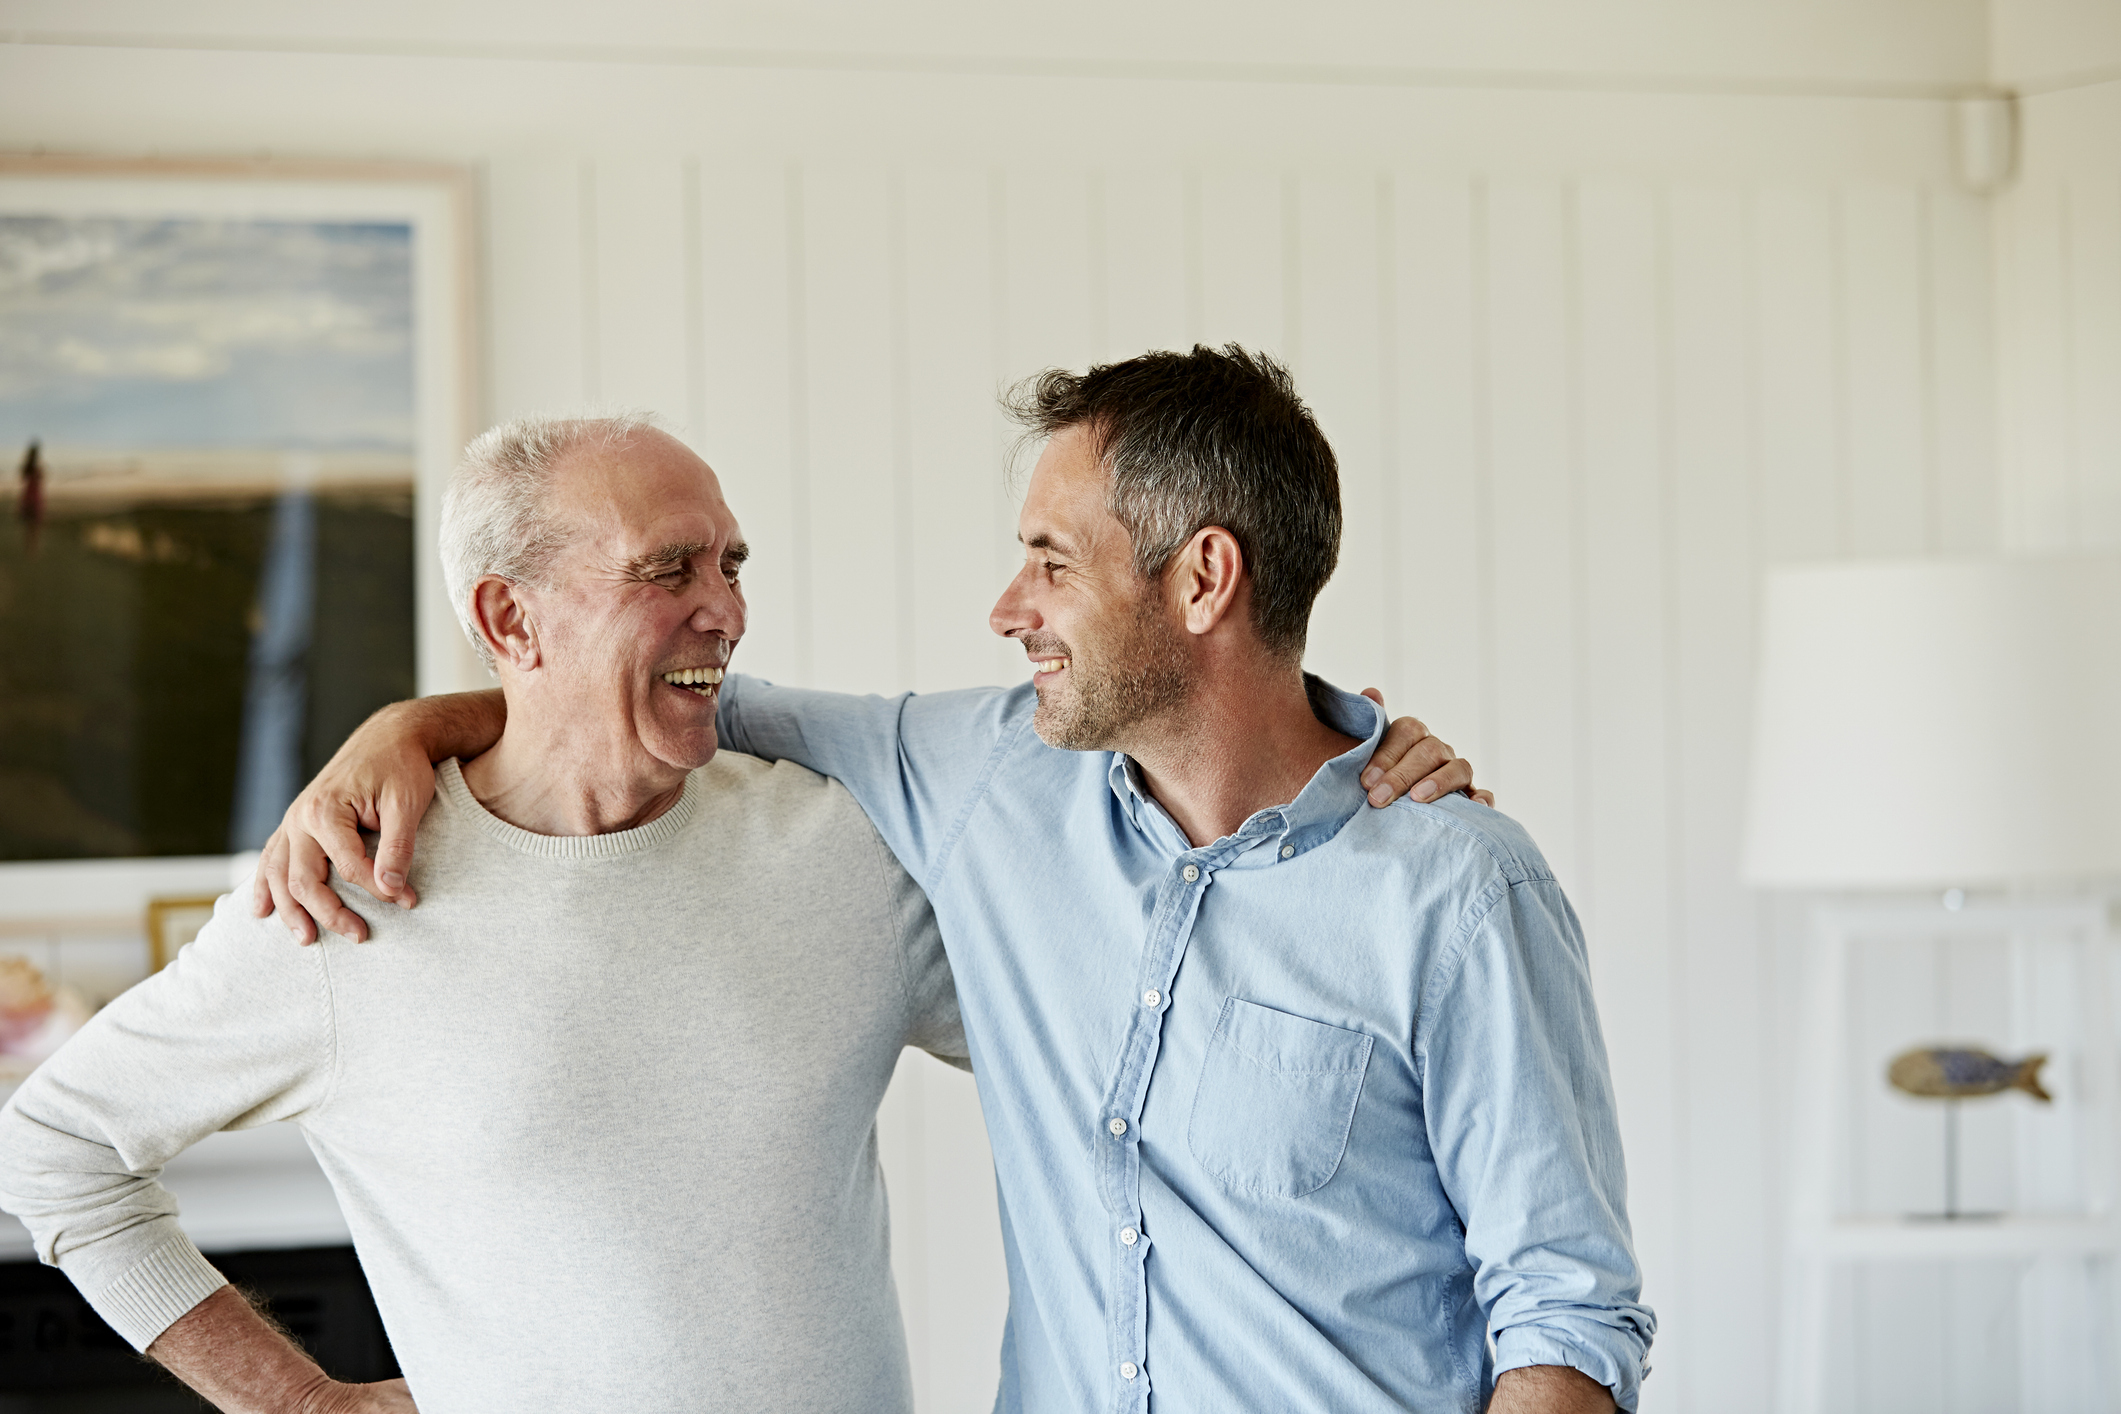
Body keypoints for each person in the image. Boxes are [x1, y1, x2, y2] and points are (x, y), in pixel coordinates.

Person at [262, 347, 1650, 1411]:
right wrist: (413, 727)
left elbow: (1565, 1309)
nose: (1007, 608)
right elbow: (662, 699)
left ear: (1204, 577)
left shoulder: (1456, 886)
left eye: (1051, 561)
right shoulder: (985, 776)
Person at [0, 414, 969, 1412]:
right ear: (511, 621)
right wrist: (298, 1401)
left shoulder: (848, 852)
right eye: (668, 570)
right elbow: (53, 1149)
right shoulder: (339, 899)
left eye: (731, 564)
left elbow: (1104, 1053)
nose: (726, 609)